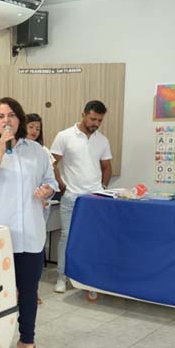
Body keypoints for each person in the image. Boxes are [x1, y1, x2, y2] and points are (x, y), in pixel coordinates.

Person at [0, 97, 57, 348]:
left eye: (11, 115)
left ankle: (26, 342)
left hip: (30, 234)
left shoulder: (37, 152)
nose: (6, 120)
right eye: (0, 116)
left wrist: (47, 190)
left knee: (29, 292)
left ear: (19, 119)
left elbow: (51, 181)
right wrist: (1, 150)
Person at [51, 100, 113, 293]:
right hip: (71, 197)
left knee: (92, 238)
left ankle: (89, 277)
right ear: (84, 114)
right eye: (93, 118)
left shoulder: (102, 140)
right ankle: (62, 277)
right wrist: (61, 185)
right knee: (67, 237)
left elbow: (107, 167)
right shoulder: (64, 136)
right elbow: (52, 163)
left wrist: (102, 187)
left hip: (95, 199)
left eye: (99, 121)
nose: (95, 123)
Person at [25, 113, 54, 305]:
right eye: (31, 127)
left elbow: (51, 182)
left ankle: (32, 291)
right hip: (20, 209)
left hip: (39, 208)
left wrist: (46, 194)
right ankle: (19, 291)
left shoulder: (43, 151)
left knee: (35, 250)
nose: (35, 131)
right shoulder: (13, 149)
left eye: (38, 128)